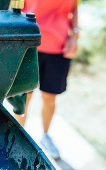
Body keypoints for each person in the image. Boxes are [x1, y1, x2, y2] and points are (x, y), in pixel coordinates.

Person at [12, 0, 78, 159]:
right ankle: (19, 139)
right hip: (30, 44)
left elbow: (74, 8)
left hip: (59, 47)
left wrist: (75, 35)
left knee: (49, 97)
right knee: (24, 96)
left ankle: (46, 135)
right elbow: (14, 9)